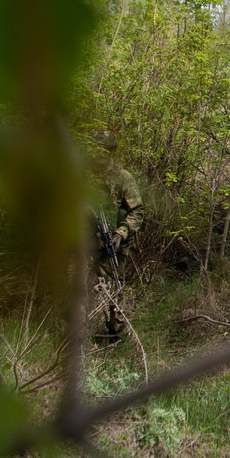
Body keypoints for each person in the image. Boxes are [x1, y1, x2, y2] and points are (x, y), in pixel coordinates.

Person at [88, 128, 144, 339]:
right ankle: (74, 335)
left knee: (114, 290)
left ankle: (113, 334)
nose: (100, 153)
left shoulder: (122, 177)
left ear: (112, 151)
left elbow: (137, 211)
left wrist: (121, 233)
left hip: (112, 243)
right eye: (96, 149)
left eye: (105, 149)